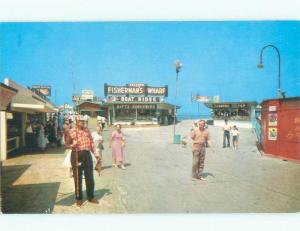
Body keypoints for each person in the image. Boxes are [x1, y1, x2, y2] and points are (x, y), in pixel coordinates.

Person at [65, 115, 99, 207]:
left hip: (87, 154)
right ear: (76, 122)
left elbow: (91, 142)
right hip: (76, 155)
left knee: (90, 177)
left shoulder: (87, 130)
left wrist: (95, 153)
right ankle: (79, 198)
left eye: (83, 121)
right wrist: (72, 145)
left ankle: (90, 197)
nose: (83, 123)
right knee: (77, 177)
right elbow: (66, 145)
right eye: (81, 121)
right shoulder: (71, 131)